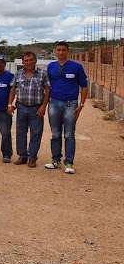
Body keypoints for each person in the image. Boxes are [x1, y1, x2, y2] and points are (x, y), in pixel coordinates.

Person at [45, 41, 88, 174]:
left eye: (63, 50)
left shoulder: (76, 67)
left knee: (69, 134)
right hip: (54, 103)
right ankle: (55, 160)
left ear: (68, 51)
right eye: (58, 50)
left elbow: (84, 86)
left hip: (71, 103)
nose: (61, 52)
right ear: (55, 51)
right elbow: (48, 86)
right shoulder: (51, 66)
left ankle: (69, 162)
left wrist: (81, 105)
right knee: (55, 133)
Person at [7, 51, 51, 168]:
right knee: (20, 133)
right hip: (21, 107)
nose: (29, 62)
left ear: (35, 61)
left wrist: (43, 106)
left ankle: (32, 157)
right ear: (23, 62)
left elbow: (47, 90)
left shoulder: (43, 74)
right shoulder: (18, 74)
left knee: (36, 133)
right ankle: (22, 156)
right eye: (26, 60)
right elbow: (12, 89)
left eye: (31, 60)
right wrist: (10, 104)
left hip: (36, 108)